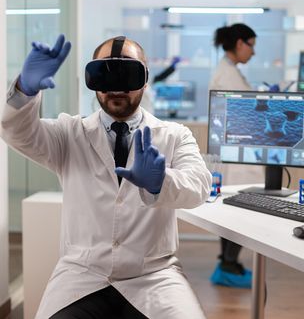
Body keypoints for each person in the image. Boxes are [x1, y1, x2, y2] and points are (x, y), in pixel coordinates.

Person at [1, 34, 212, 319]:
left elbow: (199, 186)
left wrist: (161, 181)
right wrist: (24, 91)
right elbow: (17, 132)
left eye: (129, 73)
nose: (117, 87)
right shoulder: (69, 134)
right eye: (105, 73)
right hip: (82, 274)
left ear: (146, 79)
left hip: (153, 275)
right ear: (93, 79)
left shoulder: (174, 135)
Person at [208, 23, 263, 289]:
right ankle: (228, 266)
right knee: (239, 212)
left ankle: (228, 263)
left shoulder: (229, 71)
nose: (253, 51)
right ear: (240, 43)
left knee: (236, 210)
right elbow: (247, 112)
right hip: (237, 158)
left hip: (237, 155)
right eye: (251, 45)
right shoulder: (227, 74)